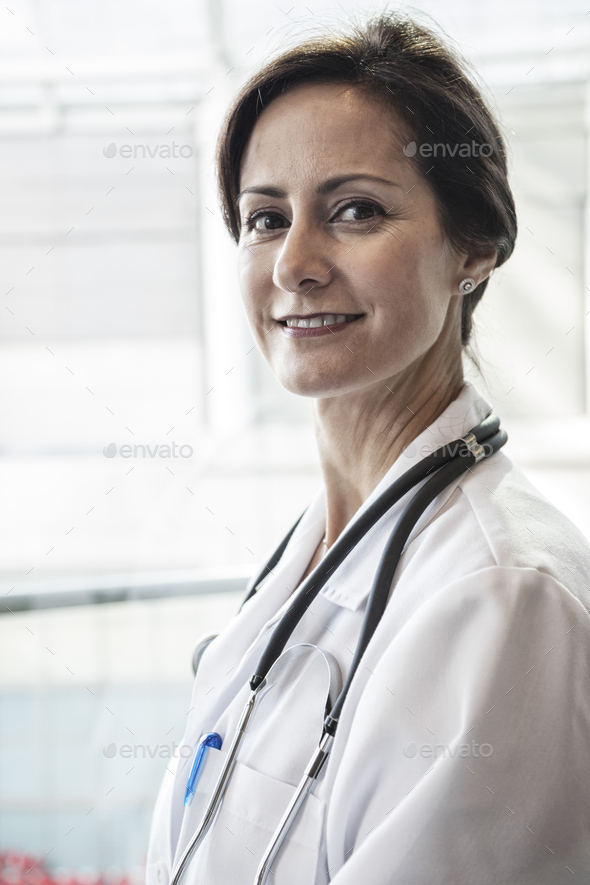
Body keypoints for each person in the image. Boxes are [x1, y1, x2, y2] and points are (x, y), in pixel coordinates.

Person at [147, 13, 590, 884]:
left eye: (355, 210)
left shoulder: (504, 601)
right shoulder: (313, 553)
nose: (293, 265)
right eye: (265, 218)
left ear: (474, 247)